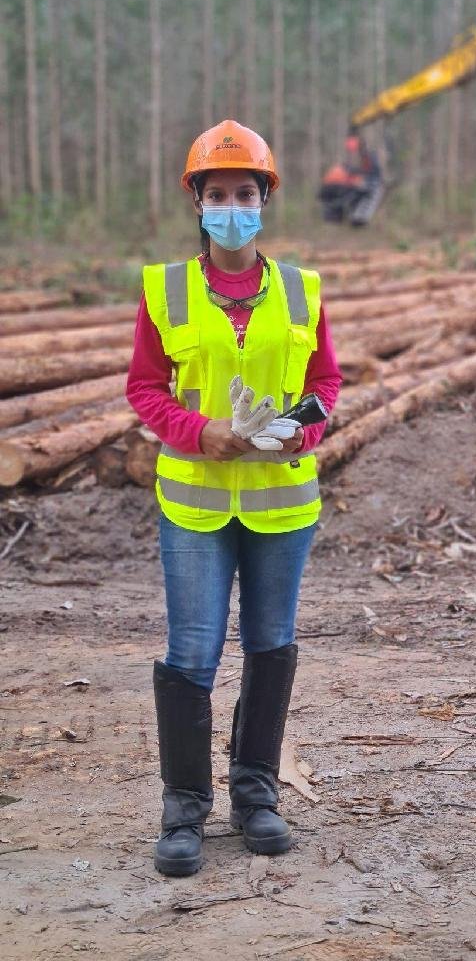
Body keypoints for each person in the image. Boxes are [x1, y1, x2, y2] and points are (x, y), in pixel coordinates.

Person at [126, 120, 342, 877]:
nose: (231, 206)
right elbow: (145, 390)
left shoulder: (301, 289)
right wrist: (199, 431)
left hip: (282, 503)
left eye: (244, 193)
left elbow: (325, 384)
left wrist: (303, 434)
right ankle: (185, 808)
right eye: (216, 193)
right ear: (197, 201)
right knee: (193, 650)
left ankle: (256, 795)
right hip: (196, 503)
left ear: (264, 201)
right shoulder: (167, 289)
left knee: (270, 645)